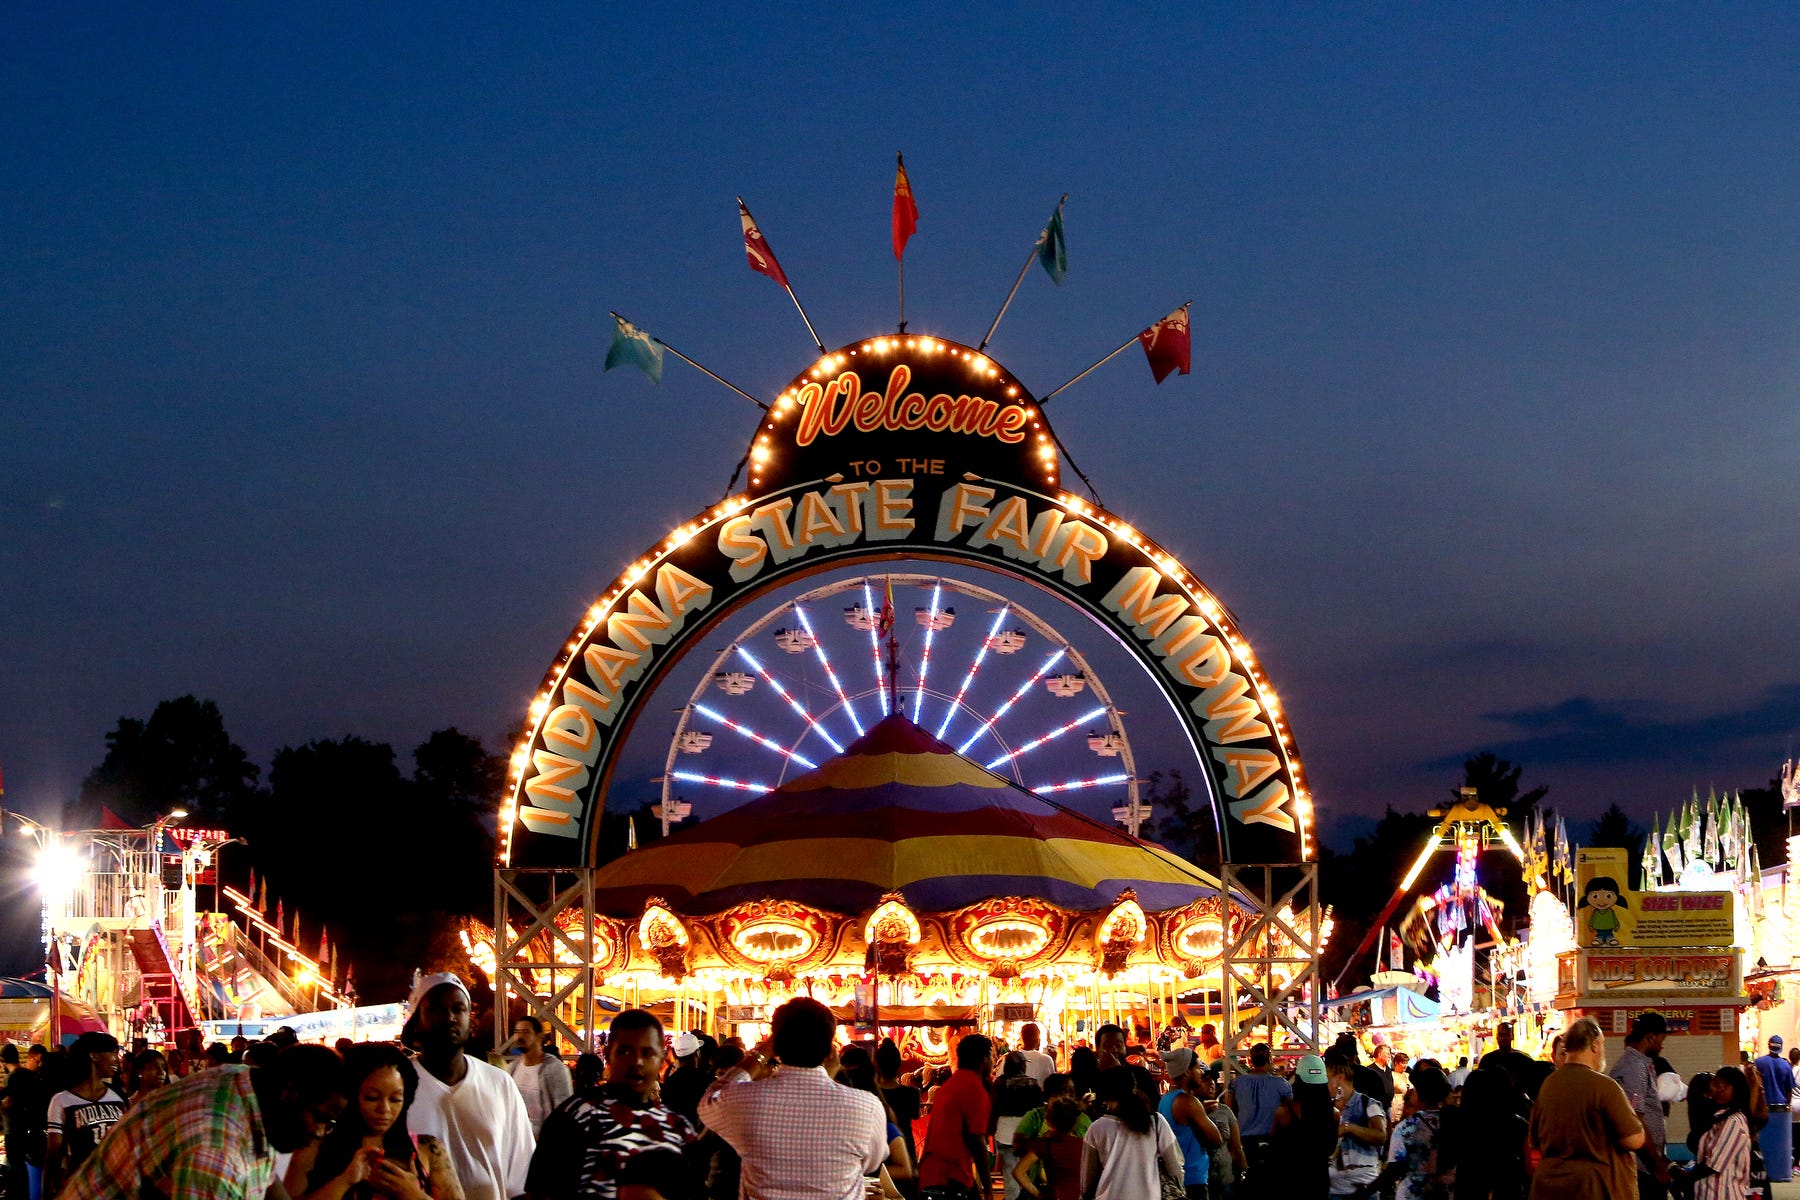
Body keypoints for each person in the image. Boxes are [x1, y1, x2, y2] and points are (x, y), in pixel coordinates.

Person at [58, 1043, 351, 1199]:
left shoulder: (247, 1085)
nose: (319, 1132)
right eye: (320, 1118)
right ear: (290, 1092)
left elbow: (265, 1175)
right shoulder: (214, 1150)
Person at [699, 996, 888, 1200]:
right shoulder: (866, 1106)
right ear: (830, 1050)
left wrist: (763, 1051)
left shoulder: (744, 1101)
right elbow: (871, 1162)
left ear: (776, 1046)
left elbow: (710, 1101)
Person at [526, 1008, 695, 1200]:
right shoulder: (574, 1117)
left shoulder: (677, 1128)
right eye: (625, 1051)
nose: (637, 1062)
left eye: (647, 1053)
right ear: (608, 1054)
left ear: (662, 1059)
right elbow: (540, 1192)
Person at [404, 972, 536, 1200]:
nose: (449, 1018)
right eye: (435, 1010)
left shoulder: (499, 1083)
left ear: (470, 1020)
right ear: (417, 1023)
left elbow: (521, 1174)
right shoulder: (398, 1085)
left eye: (458, 1009)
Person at [293, 1042, 449, 1200]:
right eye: (372, 1098)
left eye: (395, 1099)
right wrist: (343, 1181)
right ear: (350, 1096)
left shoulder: (429, 1150)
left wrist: (412, 1194)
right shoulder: (313, 1147)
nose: (384, 1109)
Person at [1524, 1016, 1644, 1200]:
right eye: (1602, 1045)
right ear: (1594, 1045)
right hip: (1595, 1187)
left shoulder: (1548, 1085)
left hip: (1550, 1186)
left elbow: (1535, 1140)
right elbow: (1633, 1140)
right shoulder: (1604, 1086)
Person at [43, 1031, 125, 1197]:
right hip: (80, 1186)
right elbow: (53, 1154)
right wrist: (47, 1191)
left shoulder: (118, 1098)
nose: (117, 1059)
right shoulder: (62, 1100)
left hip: (114, 1185)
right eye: (113, 1053)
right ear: (94, 1055)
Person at [1082, 1066, 1183, 1200]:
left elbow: (1087, 1181)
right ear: (1134, 1089)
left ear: (1104, 1095)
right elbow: (1175, 1167)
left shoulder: (1096, 1129)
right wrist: (1179, 1188)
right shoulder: (1156, 1122)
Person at [1353, 1067, 1452, 1200]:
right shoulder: (1456, 1122)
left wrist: (1366, 1191)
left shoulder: (1407, 1127)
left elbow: (1394, 1170)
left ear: (1420, 1094)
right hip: (1445, 1193)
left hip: (1413, 1194)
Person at [916, 1032, 994, 1197]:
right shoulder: (974, 1089)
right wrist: (988, 1190)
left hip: (933, 1173)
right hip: (951, 1176)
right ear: (984, 1060)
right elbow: (977, 1141)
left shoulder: (949, 1086)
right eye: (992, 1056)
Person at [1609, 1012, 1670, 1200]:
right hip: (1642, 1168)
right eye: (1661, 1039)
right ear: (1650, 1037)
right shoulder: (1635, 1068)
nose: (1662, 1046)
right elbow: (1635, 1120)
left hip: (1644, 1164)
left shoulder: (1635, 1064)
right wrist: (1657, 1166)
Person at [1674, 1067, 1751, 1200]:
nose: (1720, 1089)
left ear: (1736, 1089)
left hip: (1723, 1194)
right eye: (1718, 1083)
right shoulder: (1718, 1119)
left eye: (1725, 1085)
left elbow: (1714, 1164)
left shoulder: (1733, 1121)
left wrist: (1685, 1178)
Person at [1157, 1049, 1220, 1200]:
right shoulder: (1188, 1101)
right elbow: (1216, 1139)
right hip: (1192, 1178)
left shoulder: (1166, 1099)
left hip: (1176, 1177)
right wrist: (1202, 1114)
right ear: (1186, 1071)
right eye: (1198, 1068)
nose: (1201, 1073)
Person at [1226, 1042, 1290, 1188]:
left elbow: (1229, 1112)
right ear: (1270, 1060)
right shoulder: (1281, 1084)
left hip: (1242, 1143)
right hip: (1270, 1143)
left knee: (1245, 1185)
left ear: (1251, 1060)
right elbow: (1289, 1113)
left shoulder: (1236, 1083)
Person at [1270, 1055, 1335, 1199]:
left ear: (1298, 1079)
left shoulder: (1284, 1112)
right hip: (1319, 1182)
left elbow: (1274, 1146)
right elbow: (1331, 1148)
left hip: (1289, 1182)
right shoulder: (1334, 1114)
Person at [1324, 1057, 1385, 1200]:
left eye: (1327, 1079)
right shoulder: (1326, 1108)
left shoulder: (1368, 1104)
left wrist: (1348, 1128)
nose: (1325, 1085)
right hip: (1335, 1189)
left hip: (1363, 1188)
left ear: (1339, 1078)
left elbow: (1380, 1136)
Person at [510, 1016, 575, 1137]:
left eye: (526, 1032)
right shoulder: (512, 1068)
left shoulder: (555, 1069)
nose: (520, 1036)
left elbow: (564, 1110)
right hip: (517, 1139)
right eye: (517, 1032)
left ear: (539, 1036)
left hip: (544, 1141)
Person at [992, 1051, 1045, 1200]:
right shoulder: (1032, 1083)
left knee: (1009, 1171)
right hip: (1026, 1131)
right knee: (1028, 1171)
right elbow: (1038, 1108)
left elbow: (994, 1108)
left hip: (1004, 1131)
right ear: (1022, 1065)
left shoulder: (998, 1083)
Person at [1012, 1096, 1087, 1200]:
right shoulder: (1084, 1145)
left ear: (1049, 1121)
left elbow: (1018, 1172)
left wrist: (1039, 1195)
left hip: (1055, 1196)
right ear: (1076, 1121)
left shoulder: (1044, 1144)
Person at [3, 1042, 48, 1200]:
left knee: (16, 1169)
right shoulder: (31, 1077)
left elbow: (10, 1104)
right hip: (29, 1131)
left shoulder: (14, 1077)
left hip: (16, 1131)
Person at [875, 1038, 922, 1174]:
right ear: (898, 1065)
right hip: (906, 1147)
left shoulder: (873, 1096)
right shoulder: (912, 1093)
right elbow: (915, 1115)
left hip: (880, 1151)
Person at [1755, 1033, 1795, 1183]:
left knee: (1764, 1143)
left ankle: (1764, 1171)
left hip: (1763, 1109)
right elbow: (1789, 1090)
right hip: (1781, 1111)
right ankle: (1781, 1172)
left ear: (1768, 1045)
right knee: (1780, 1144)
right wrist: (1787, 1106)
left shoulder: (1759, 1063)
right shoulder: (1786, 1065)